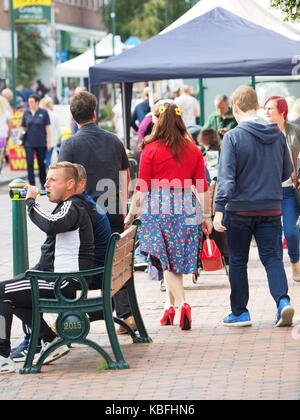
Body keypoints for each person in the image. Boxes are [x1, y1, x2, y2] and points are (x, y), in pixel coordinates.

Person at [0, 161, 96, 373]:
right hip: (64, 280)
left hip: (64, 283)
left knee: (0, 292)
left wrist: (31, 202)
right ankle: (48, 338)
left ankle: (2, 355)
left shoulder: (73, 205)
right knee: (13, 291)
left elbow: (51, 223)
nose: (47, 184)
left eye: (53, 180)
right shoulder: (71, 206)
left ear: (70, 184)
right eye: (46, 180)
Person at [125, 99, 213, 331]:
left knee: (167, 259)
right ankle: (168, 306)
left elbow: (142, 187)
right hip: (187, 207)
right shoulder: (193, 150)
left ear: (157, 119)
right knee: (171, 258)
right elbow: (202, 187)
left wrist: (131, 213)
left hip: (159, 208)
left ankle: (183, 303)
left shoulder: (150, 149)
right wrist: (207, 217)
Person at [213, 86, 294, 328]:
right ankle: (282, 302)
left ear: (235, 108)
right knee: (272, 258)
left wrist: (219, 208)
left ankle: (240, 312)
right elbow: (286, 172)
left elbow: (226, 177)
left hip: (240, 209)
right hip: (271, 208)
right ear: (257, 105)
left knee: (238, 260)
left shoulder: (233, 137)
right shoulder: (277, 135)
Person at [57, 91, 136, 335]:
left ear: (73, 117)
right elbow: (125, 177)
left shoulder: (70, 144)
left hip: (83, 217)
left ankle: (77, 314)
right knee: (116, 260)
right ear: (94, 112)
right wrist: (121, 207)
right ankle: (126, 313)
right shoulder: (114, 140)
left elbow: (62, 182)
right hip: (112, 211)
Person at [264, 96, 300, 281]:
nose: (266, 111)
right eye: (266, 108)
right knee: (273, 235)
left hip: (289, 191)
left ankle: (296, 262)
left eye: (270, 108)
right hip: (269, 193)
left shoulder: (295, 131)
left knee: (292, 231)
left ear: (282, 111)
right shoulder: (263, 133)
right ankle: (278, 272)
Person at [20, 94, 51, 188]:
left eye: (32, 102)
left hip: (41, 142)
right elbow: (22, 126)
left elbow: (48, 128)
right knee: (30, 163)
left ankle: (43, 183)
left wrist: (48, 142)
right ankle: (31, 184)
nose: (30, 103)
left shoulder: (44, 112)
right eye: (29, 102)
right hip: (28, 142)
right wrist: (20, 138)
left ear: (37, 102)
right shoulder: (26, 112)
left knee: (41, 163)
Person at [40, 96, 61, 168]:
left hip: (41, 140)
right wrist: (58, 140)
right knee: (48, 158)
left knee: (43, 159)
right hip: (52, 141)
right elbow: (58, 130)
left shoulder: (41, 114)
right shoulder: (54, 115)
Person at [0, 96, 12, 171]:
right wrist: (9, 134)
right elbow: (10, 125)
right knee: (1, 154)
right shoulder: (6, 112)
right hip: (3, 135)